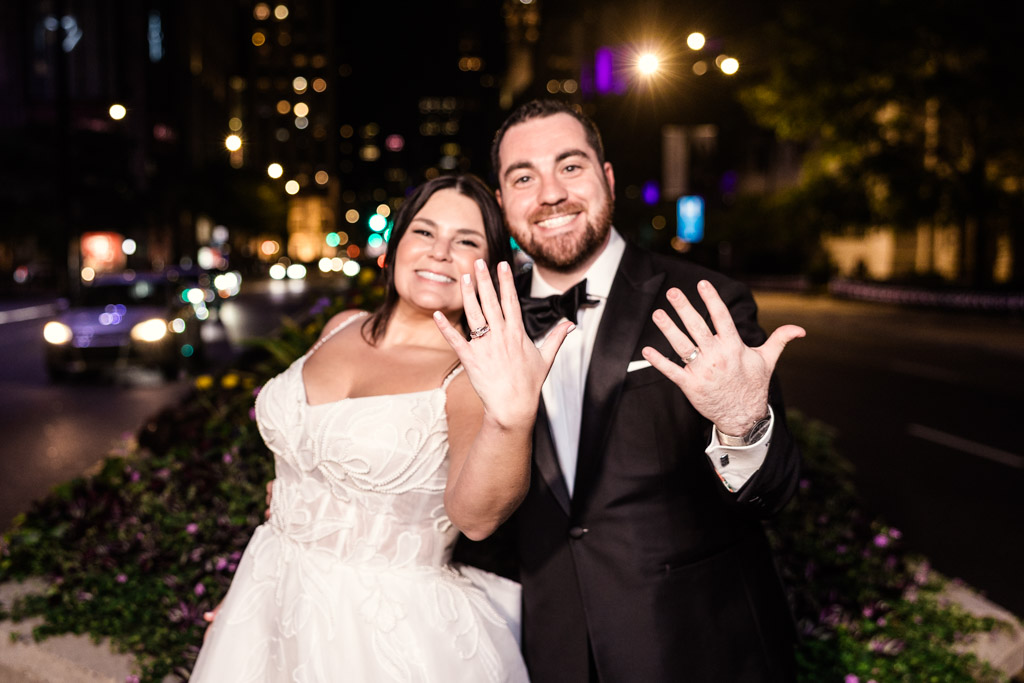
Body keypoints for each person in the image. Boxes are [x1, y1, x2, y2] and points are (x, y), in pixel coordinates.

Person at [190, 173, 573, 682]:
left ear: (490, 268)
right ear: (395, 245)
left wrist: (511, 417)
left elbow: (476, 518)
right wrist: (248, 600)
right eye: (424, 231)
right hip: (266, 595)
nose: (439, 252)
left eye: (466, 241)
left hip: (381, 634)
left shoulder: (470, 377)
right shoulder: (341, 325)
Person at [484, 99, 807, 682]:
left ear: (607, 179)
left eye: (571, 166)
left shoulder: (706, 300)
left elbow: (776, 491)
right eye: (524, 176)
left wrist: (743, 423)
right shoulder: (483, 323)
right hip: (549, 648)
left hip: (696, 642)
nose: (550, 192)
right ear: (502, 201)